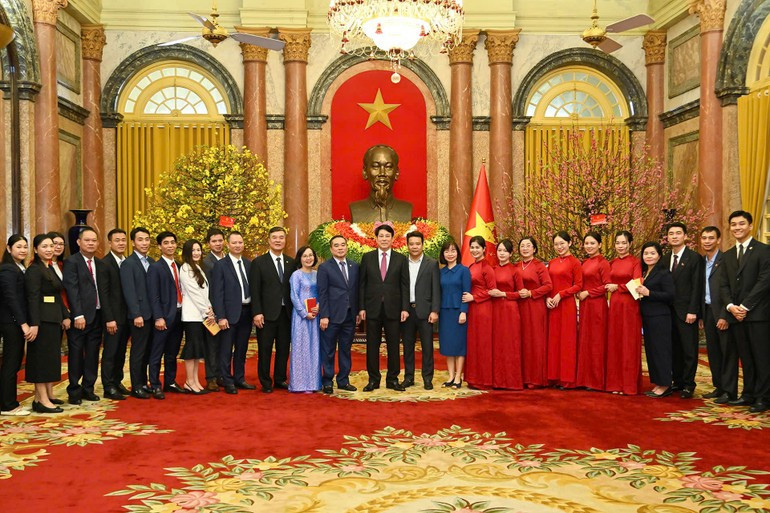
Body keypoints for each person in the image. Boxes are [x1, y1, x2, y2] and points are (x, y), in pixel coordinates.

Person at [719, 210, 770, 413]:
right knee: (746, 358)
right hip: (736, 316)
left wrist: (745, 306)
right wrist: (731, 306)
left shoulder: (764, 251)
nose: (737, 227)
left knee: (762, 357)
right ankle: (748, 394)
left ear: (750, 226)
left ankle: (764, 397)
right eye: (733, 224)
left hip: (758, 315)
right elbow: (723, 285)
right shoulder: (728, 255)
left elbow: (764, 282)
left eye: (741, 224)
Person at [358, 222, 409, 392]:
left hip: (394, 309)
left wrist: (404, 308)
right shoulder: (367, 258)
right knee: (372, 345)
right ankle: (373, 380)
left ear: (392, 238)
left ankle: (392, 379)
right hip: (372, 309)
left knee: (393, 345)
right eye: (381, 236)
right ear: (376, 238)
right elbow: (362, 285)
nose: (384, 239)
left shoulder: (401, 259)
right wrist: (362, 307)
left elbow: (404, 286)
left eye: (388, 236)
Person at [25, 234, 70, 413]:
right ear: (36, 250)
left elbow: (58, 295)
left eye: (51, 246)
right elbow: (32, 298)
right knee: (41, 361)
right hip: (41, 322)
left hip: (53, 319)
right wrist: (34, 324)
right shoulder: (34, 269)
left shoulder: (49, 267)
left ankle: (40, 398)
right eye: (44, 246)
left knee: (50, 360)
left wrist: (65, 315)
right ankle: (43, 401)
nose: (49, 249)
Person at [250, 227, 294, 393]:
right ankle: (266, 382)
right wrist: (256, 312)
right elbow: (254, 290)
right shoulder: (259, 262)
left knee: (283, 348)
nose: (278, 240)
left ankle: (280, 379)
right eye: (274, 237)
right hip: (266, 315)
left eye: (281, 237)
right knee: (265, 349)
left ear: (285, 240)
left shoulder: (291, 262)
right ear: (268, 240)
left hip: (286, 314)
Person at [62, 227, 104, 405]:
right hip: (80, 318)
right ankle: (74, 390)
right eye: (87, 240)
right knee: (76, 354)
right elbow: (72, 290)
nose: (91, 243)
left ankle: (88, 388)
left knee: (93, 354)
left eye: (94, 240)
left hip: (97, 315)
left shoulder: (100, 263)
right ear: (79, 242)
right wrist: (77, 314)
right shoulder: (71, 262)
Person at [661, 222, 703, 399]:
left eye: (678, 233)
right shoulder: (664, 259)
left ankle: (688, 384)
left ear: (685, 236)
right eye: (671, 234)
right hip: (668, 312)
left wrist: (693, 310)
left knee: (688, 349)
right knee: (673, 348)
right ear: (667, 237)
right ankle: (677, 381)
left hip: (687, 312)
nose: (675, 236)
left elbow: (697, 287)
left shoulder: (694, 258)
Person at [210, 231, 255, 394]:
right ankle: (227, 380)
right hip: (228, 315)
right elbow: (217, 293)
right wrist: (220, 316)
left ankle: (239, 378)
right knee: (226, 349)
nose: (237, 245)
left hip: (246, 312)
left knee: (242, 348)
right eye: (234, 243)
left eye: (240, 242)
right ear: (228, 245)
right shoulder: (221, 265)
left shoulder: (249, 264)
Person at [317, 235, 360, 394]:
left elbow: (355, 291)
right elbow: (322, 293)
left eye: (343, 245)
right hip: (331, 317)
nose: (340, 248)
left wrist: (356, 311)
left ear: (347, 247)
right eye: (336, 245)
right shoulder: (325, 267)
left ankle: (343, 380)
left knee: (345, 349)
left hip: (349, 316)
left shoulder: (354, 266)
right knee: (328, 350)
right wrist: (324, 315)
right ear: (331, 249)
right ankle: (327, 381)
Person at [146, 231, 186, 399]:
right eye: (166, 243)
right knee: (157, 352)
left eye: (172, 242)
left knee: (172, 351)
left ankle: (170, 381)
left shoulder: (179, 265)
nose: (170, 245)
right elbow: (153, 295)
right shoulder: (155, 267)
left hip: (179, 315)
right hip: (163, 317)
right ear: (160, 246)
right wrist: (158, 317)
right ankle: (155, 384)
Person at [699, 226, 735, 403]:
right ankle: (719, 386)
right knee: (713, 352)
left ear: (718, 240)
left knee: (727, 352)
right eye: (704, 238)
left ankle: (729, 391)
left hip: (722, 312)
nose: (707, 241)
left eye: (711, 238)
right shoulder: (702, 261)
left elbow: (730, 290)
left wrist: (724, 315)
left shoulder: (726, 259)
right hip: (707, 311)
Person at [401, 231, 441, 390]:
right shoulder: (402, 263)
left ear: (422, 244)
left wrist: (435, 310)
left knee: (427, 347)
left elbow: (436, 289)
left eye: (417, 244)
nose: (415, 247)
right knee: (407, 347)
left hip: (425, 312)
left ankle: (427, 378)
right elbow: (401, 288)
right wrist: (402, 308)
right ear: (407, 245)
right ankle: (409, 377)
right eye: (411, 244)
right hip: (407, 311)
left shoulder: (431, 263)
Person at [605, 231, 643, 395]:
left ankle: (628, 385)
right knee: (615, 343)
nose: (620, 246)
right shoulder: (611, 262)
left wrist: (618, 287)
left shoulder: (635, 263)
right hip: (614, 305)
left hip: (629, 305)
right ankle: (615, 384)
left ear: (630, 244)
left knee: (628, 343)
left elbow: (637, 285)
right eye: (618, 243)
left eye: (624, 243)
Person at [636, 241, 675, 398]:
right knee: (652, 351)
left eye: (652, 253)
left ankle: (666, 384)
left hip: (660, 317)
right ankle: (658, 382)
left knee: (661, 351)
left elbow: (670, 295)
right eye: (646, 253)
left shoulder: (664, 273)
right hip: (647, 317)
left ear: (659, 255)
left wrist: (649, 293)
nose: (649, 256)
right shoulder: (645, 272)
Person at [120, 227, 155, 399]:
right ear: (133, 242)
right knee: (138, 351)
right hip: (139, 315)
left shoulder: (152, 261)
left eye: (147, 239)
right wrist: (136, 314)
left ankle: (143, 382)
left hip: (152, 314)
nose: (144, 243)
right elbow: (129, 291)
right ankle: (136, 386)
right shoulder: (128, 263)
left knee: (148, 351)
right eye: (140, 239)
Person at [546, 231, 583, 389]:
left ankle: (567, 379)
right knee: (554, 340)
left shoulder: (575, 262)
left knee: (567, 341)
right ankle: (554, 377)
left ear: (569, 243)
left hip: (566, 304)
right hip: (552, 306)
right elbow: (547, 283)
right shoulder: (552, 262)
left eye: (562, 243)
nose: (559, 247)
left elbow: (579, 285)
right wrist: (547, 297)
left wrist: (561, 294)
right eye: (556, 244)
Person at [0, 235, 32, 416]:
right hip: (11, 322)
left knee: (14, 361)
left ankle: (7, 402)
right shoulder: (7, 269)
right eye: (18, 246)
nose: (22, 250)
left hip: (15, 321)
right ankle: (8, 405)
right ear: (9, 248)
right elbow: (12, 299)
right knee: (11, 363)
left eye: (25, 247)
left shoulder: (19, 267)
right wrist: (23, 323)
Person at [575, 232, 611, 391]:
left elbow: (607, 286)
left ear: (599, 245)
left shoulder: (603, 263)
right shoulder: (584, 262)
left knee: (596, 341)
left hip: (597, 306)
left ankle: (596, 381)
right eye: (586, 243)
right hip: (584, 305)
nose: (589, 246)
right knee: (585, 340)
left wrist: (588, 293)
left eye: (592, 243)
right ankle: (584, 378)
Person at [515, 236, 552, 388]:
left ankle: (536, 378)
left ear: (534, 249)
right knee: (521, 341)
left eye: (528, 246)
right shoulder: (516, 266)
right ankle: (522, 376)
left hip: (535, 307)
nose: (525, 248)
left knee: (535, 341)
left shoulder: (539, 266)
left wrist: (531, 293)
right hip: (519, 307)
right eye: (522, 245)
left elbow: (548, 286)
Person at [99, 228, 131, 400]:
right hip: (113, 318)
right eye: (117, 240)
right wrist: (109, 319)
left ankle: (117, 381)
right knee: (110, 352)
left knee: (121, 352)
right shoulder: (105, 263)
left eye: (123, 240)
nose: (121, 243)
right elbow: (103, 294)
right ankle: (108, 386)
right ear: (109, 243)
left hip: (127, 316)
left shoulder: (127, 262)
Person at [179, 239, 214, 395]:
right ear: (187, 252)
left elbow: (204, 293)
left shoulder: (198, 267)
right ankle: (189, 381)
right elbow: (194, 293)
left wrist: (209, 309)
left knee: (198, 349)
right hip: (192, 315)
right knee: (192, 348)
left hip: (201, 314)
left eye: (198, 250)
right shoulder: (185, 269)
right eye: (193, 250)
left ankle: (195, 380)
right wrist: (207, 310)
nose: (196, 253)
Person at [488, 239, 524, 390]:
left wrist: (502, 293)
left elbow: (521, 293)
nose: (501, 253)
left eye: (504, 251)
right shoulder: (492, 269)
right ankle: (497, 380)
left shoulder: (515, 270)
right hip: (495, 310)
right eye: (499, 251)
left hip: (510, 309)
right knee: (496, 344)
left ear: (510, 253)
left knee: (510, 344)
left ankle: (511, 381)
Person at [463, 235, 497, 389]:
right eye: (472, 247)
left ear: (484, 249)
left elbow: (492, 290)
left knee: (483, 343)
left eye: (478, 247)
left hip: (483, 308)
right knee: (473, 342)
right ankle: (473, 378)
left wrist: (474, 297)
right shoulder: (471, 266)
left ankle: (484, 379)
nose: (474, 250)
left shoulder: (487, 267)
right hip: (473, 308)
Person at [349, 144, 413, 222]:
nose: (382, 173)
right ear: (365, 172)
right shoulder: (356, 209)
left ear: (396, 173)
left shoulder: (406, 209)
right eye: (375, 166)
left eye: (388, 167)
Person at [289, 246, 322, 393]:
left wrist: (319, 307)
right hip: (301, 317)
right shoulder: (296, 275)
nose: (308, 258)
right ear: (300, 258)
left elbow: (322, 293)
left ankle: (314, 383)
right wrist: (304, 313)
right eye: (305, 256)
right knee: (301, 348)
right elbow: (294, 296)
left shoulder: (317, 274)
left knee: (314, 348)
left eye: (310, 255)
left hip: (315, 315)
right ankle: (299, 384)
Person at [438, 240, 470, 389]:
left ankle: (458, 377)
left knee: (459, 345)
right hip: (445, 312)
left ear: (457, 252)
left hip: (458, 312)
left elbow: (466, 292)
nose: (450, 254)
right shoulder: (441, 272)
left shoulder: (463, 270)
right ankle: (450, 376)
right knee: (447, 345)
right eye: (447, 251)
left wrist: (464, 311)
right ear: (443, 254)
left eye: (453, 251)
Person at [201, 228, 226, 391]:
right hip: (210, 311)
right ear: (208, 244)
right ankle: (211, 378)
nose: (218, 243)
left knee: (224, 345)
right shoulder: (205, 263)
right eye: (214, 241)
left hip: (226, 310)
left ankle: (221, 375)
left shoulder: (228, 259)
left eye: (220, 240)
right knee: (211, 345)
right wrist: (211, 310)